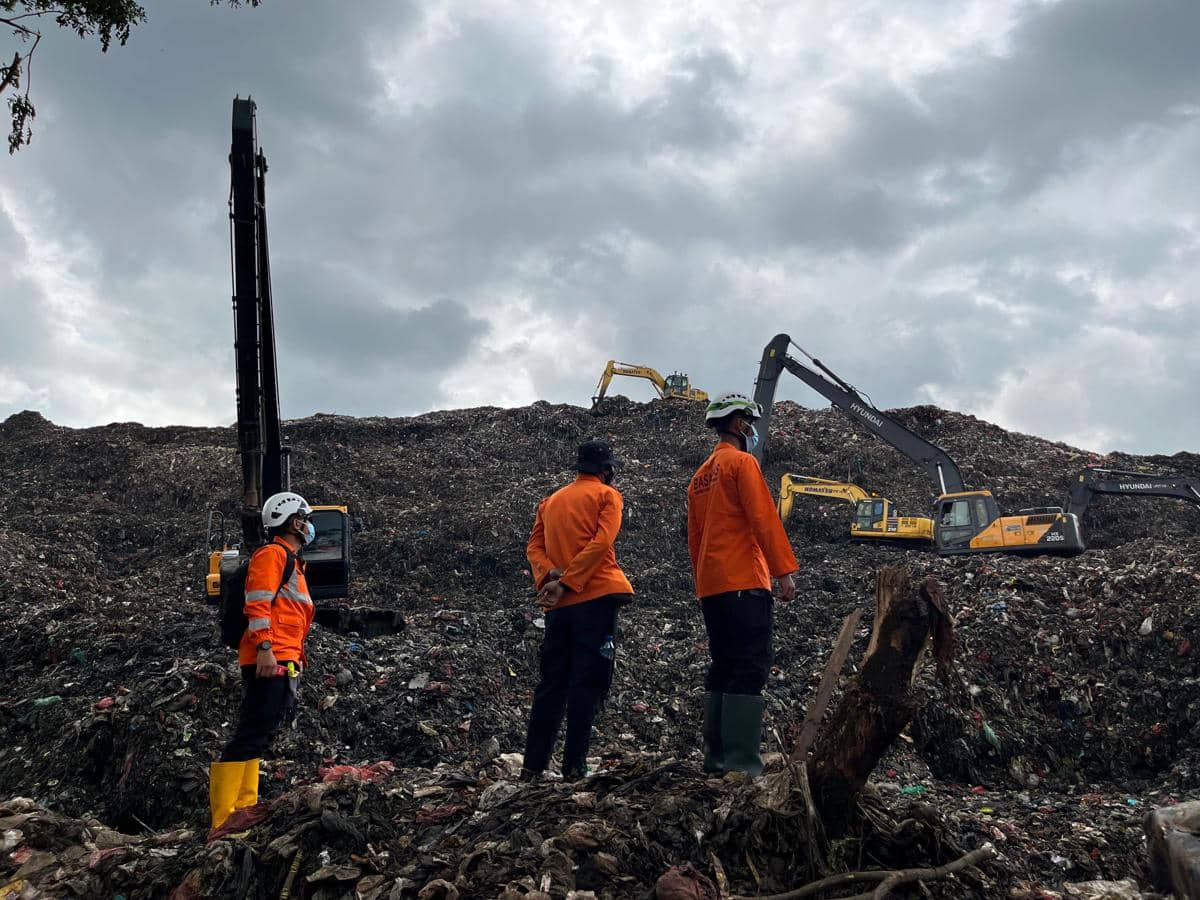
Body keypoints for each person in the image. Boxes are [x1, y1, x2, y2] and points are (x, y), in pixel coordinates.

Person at [687, 392, 798, 776]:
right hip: (744, 582)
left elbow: (695, 537)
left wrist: (703, 579)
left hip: (712, 585)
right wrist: (782, 570)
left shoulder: (700, 476)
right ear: (737, 424)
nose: (751, 429)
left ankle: (715, 760)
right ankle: (742, 764)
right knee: (750, 667)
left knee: (722, 666)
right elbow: (763, 518)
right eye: (749, 422)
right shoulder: (741, 463)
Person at [522, 440, 634, 781]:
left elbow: (534, 547)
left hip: (558, 605)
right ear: (606, 470)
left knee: (552, 683)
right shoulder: (607, 496)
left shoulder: (550, 501)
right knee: (587, 684)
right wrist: (571, 580)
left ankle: (532, 767)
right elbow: (602, 543)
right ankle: (574, 767)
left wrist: (550, 576)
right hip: (595, 598)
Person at [208, 491, 316, 830]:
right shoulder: (273, 555)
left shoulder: (293, 562)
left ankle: (244, 809)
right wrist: (266, 649)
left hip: (282, 655)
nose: (309, 525)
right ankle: (224, 819)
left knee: (260, 731)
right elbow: (257, 604)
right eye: (306, 518)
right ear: (294, 522)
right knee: (251, 731)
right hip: (268, 656)